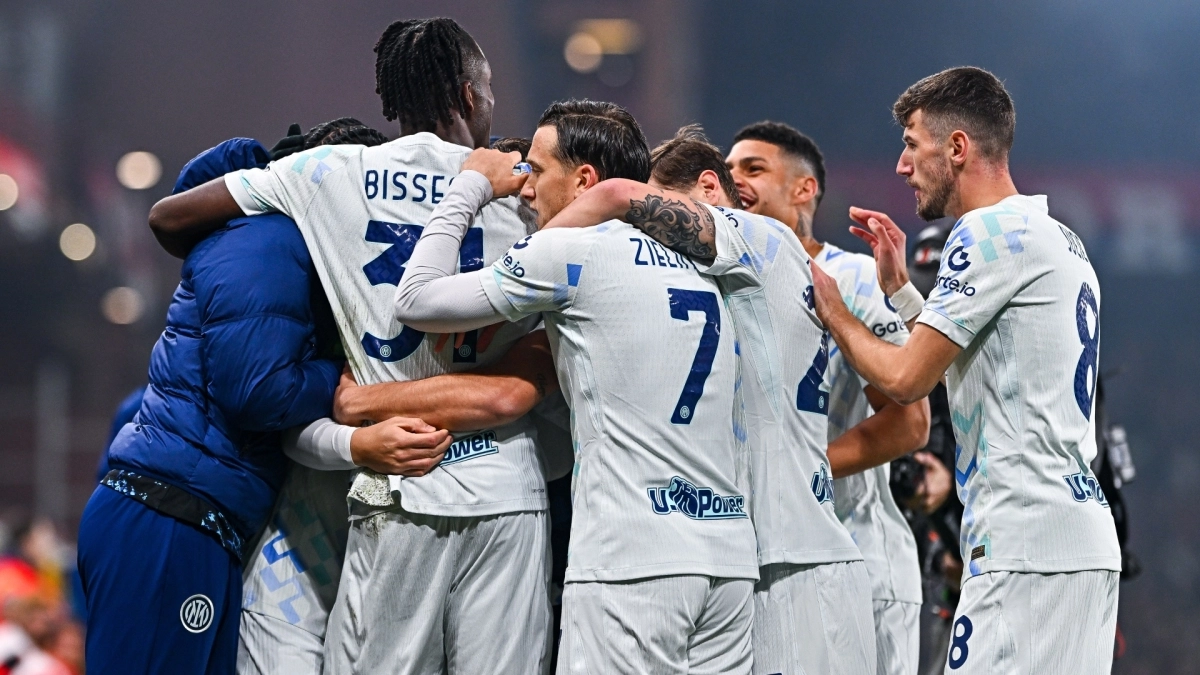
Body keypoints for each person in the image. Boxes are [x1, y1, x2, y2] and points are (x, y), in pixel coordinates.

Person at [149, 18, 566, 675]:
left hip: (400, 479)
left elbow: (169, 217)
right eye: (488, 89)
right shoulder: (526, 191)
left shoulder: (326, 171)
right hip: (507, 483)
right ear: (469, 95)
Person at [391, 100, 760, 674]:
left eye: (536, 171)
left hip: (630, 560)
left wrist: (468, 187)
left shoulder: (570, 252)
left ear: (585, 180)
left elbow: (416, 301)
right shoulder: (703, 258)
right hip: (729, 559)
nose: (524, 189)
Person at [808, 66, 1121, 674]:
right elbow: (978, 368)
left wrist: (839, 314)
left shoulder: (986, 230)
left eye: (911, 144)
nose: (902, 166)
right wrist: (902, 294)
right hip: (1076, 540)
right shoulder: (1056, 237)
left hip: (1023, 549)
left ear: (956, 148)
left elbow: (907, 380)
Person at [543, 124, 884, 674]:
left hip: (795, 560)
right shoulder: (719, 279)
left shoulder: (757, 237)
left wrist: (530, 256)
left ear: (706, 190)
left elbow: (619, 196)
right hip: (752, 558)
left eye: (659, 212)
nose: (654, 233)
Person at [77, 120, 397, 675]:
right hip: (171, 516)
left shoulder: (278, 243)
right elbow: (256, 390)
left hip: (190, 515)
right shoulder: (265, 239)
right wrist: (350, 376)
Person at [727, 121, 930, 674]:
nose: (734, 178)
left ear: (804, 189)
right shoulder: (728, 285)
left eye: (753, 168)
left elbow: (908, 423)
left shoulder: (853, 278)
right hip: (760, 555)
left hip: (860, 556)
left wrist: (801, 468)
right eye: (728, 169)